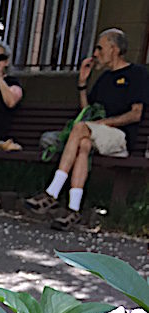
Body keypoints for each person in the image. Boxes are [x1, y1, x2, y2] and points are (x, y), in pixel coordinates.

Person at [26, 29, 149, 231]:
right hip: (95, 134)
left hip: (121, 138)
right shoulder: (103, 79)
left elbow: (136, 114)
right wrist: (82, 83)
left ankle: (52, 192)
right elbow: (87, 113)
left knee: (81, 131)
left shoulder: (137, 74)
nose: (96, 53)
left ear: (114, 49)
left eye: (100, 48)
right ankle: (74, 210)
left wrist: (104, 124)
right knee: (83, 143)